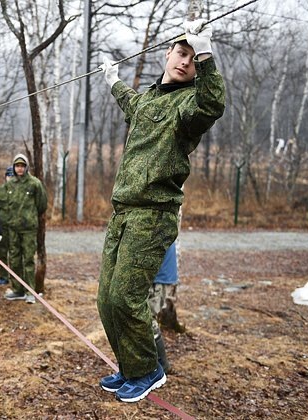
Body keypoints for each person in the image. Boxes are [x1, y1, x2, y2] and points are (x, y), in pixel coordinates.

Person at [97, 19, 225, 403]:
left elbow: (212, 104)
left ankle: (149, 371)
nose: (185, 62)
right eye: (181, 53)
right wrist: (111, 80)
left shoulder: (190, 105)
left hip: (153, 214)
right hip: (123, 211)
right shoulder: (148, 99)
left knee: (126, 296)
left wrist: (206, 56)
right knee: (106, 298)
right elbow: (128, 100)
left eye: (191, 57)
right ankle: (130, 368)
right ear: (167, 54)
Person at [3, 154, 48, 304]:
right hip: (13, 228)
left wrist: (30, 216)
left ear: (26, 167)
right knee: (14, 258)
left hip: (28, 228)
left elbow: (42, 204)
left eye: (22, 166)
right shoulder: (10, 185)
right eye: (17, 166)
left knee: (28, 259)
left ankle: (30, 291)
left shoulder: (35, 183)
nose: (20, 168)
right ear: (14, 167)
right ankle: (18, 289)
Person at [149, 242, 179, 374]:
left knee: (148, 319)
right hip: (156, 274)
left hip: (159, 276)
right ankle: (157, 364)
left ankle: (162, 364)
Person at [0, 166, 15, 286]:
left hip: (15, 228)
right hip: (2, 227)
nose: (10, 178)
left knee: (15, 253)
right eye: (9, 176)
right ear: (5, 177)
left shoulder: (19, 192)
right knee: (2, 253)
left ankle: (15, 276)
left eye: (13, 176)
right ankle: (3, 276)